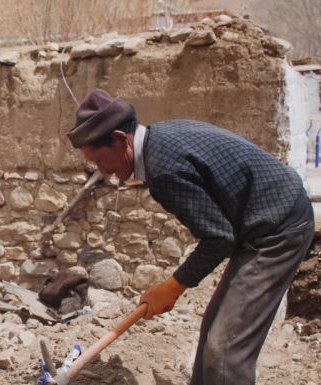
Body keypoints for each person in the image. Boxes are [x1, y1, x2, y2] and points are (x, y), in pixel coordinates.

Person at [66, 89, 314, 385]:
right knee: (213, 329)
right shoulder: (161, 137)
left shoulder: (164, 170)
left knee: (225, 349)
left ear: (119, 139)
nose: (102, 171)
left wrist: (172, 286)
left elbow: (219, 237)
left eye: (98, 160)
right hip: (259, 224)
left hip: (279, 229)